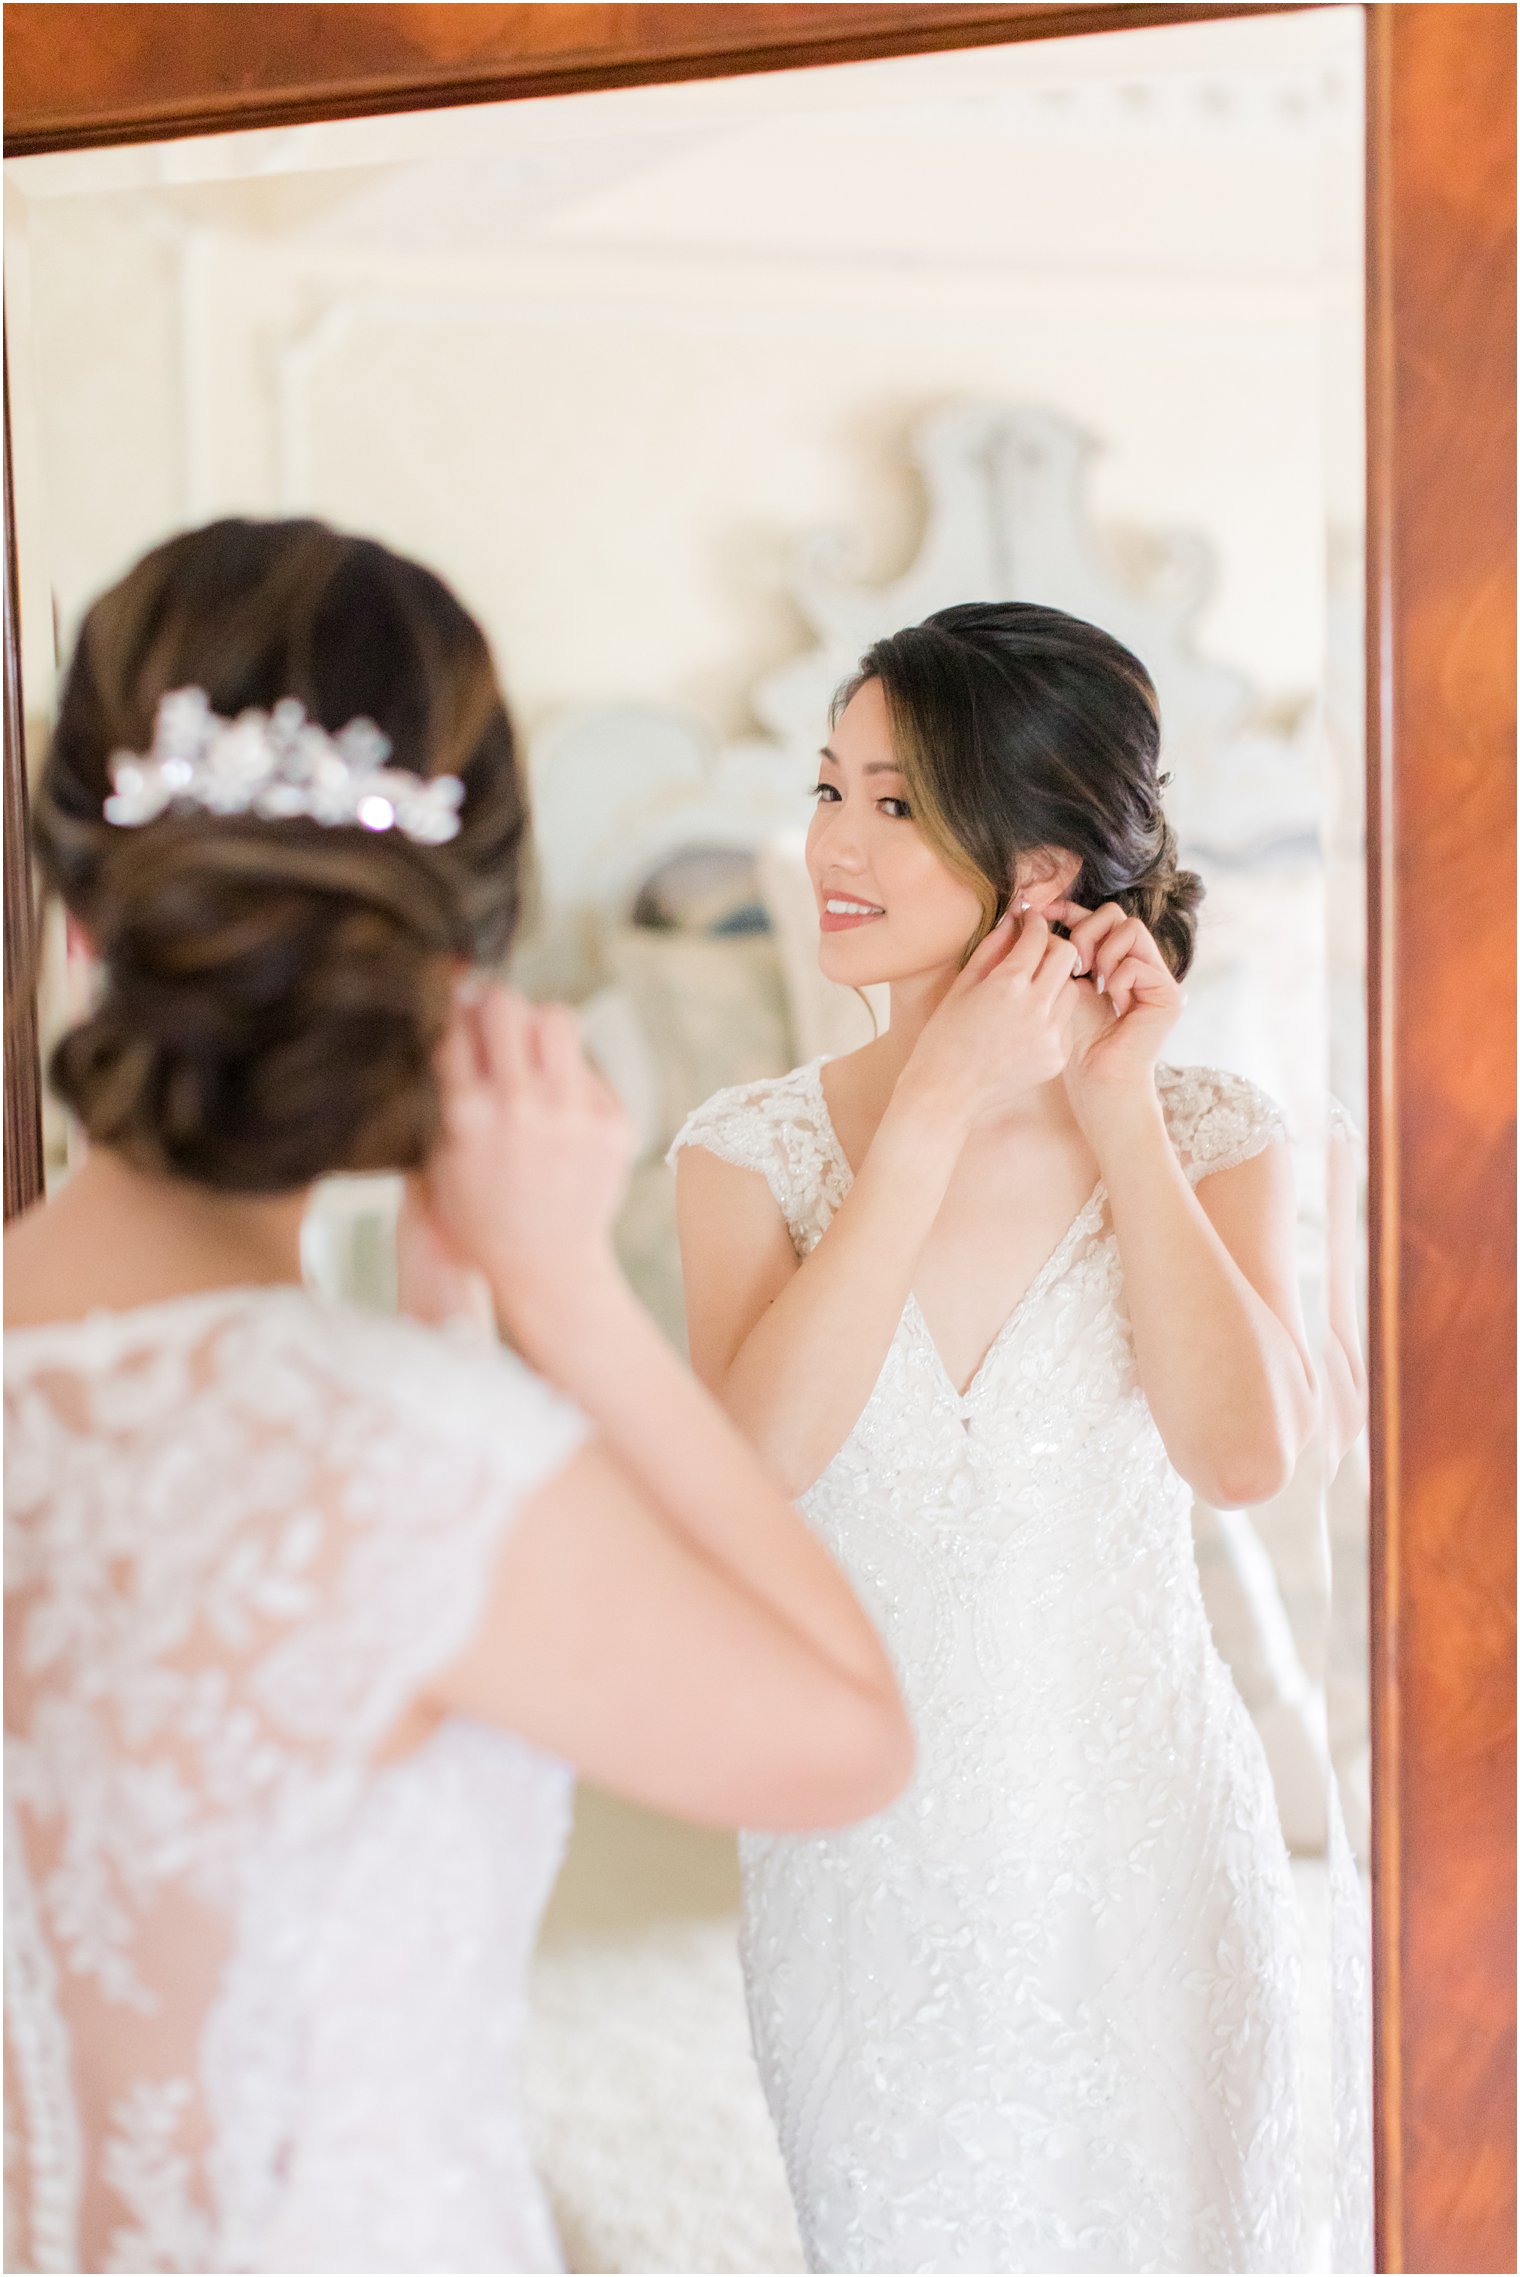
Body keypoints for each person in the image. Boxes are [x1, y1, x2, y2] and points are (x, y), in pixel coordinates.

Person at [3, 518, 913, 2276]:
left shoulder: (387, 1429)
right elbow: (846, 1731)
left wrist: (456, 1331)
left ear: (79, 906)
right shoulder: (404, 1461)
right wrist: (567, 1292)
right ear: (465, 956)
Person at [671, 601, 1320, 2274]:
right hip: (866, 1870)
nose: (828, 841)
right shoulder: (744, 1152)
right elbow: (744, 1478)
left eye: (893, 804)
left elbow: (1246, 1456)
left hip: (1149, 1855)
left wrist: (1119, 1119)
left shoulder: (1206, 1130)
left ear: (1039, 869)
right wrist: (933, 1112)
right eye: (829, 788)